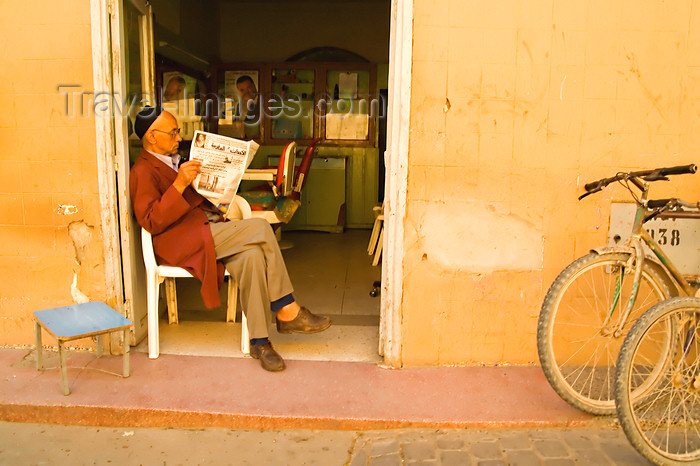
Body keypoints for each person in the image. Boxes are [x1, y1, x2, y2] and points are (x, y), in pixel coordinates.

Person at [129, 106, 331, 372]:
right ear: (152, 136)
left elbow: (195, 198)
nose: (179, 138)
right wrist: (179, 184)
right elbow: (151, 220)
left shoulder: (174, 160)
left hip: (205, 228)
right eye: (174, 132)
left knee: (252, 256)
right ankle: (287, 309)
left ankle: (260, 342)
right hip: (182, 241)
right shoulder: (142, 170)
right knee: (260, 228)